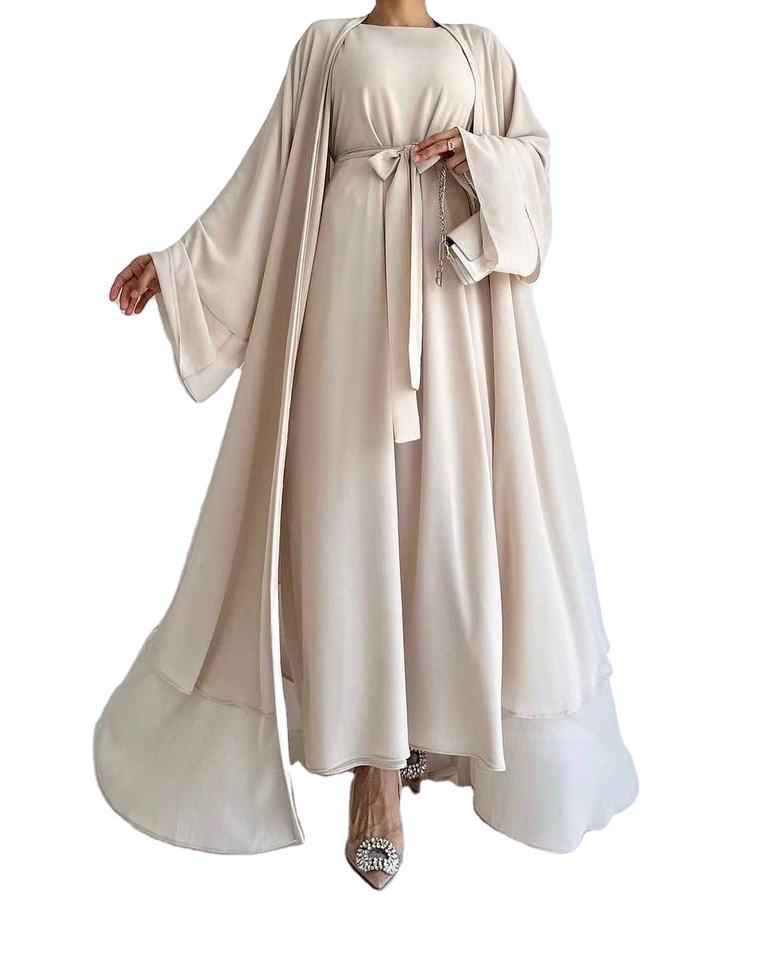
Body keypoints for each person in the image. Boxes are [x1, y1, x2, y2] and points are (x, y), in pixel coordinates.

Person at [99, 1, 638, 889]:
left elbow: (537, 170)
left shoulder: (482, 50)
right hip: (346, 305)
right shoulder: (327, 45)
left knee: (447, 517)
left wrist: (479, 159)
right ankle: (375, 774)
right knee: (349, 520)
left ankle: (432, 728)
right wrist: (181, 263)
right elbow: (268, 181)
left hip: (455, 316)